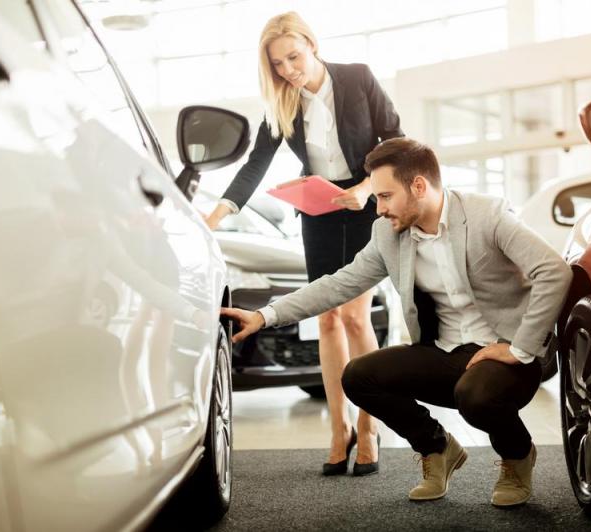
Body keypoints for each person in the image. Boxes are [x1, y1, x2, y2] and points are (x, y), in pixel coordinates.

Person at [222, 137, 572, 505]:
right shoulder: (387, 234)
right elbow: (339, 284)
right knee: (358, 376)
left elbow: (554, 272)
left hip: (506, 355)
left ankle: (517, 457)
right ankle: (437, 449)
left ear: (418, 186)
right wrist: (265, 315)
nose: (379, 209)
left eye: (386, 196)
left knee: (477, 397)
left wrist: (520, 348)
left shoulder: (488, 214)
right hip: (444, 352)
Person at [203, 11, 404, 476]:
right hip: (319, 213)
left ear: (312, 45)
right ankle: (340, 429)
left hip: (362, 208)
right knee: (326, 319)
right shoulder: (283, 104)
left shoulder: (357, 79)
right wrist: (218, 213)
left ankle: (369, 427)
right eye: (278, 64)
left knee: (355, 316)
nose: (289, 69)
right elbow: (255, 166)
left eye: (293, 57)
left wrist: (366, 188)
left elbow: (395, 139)